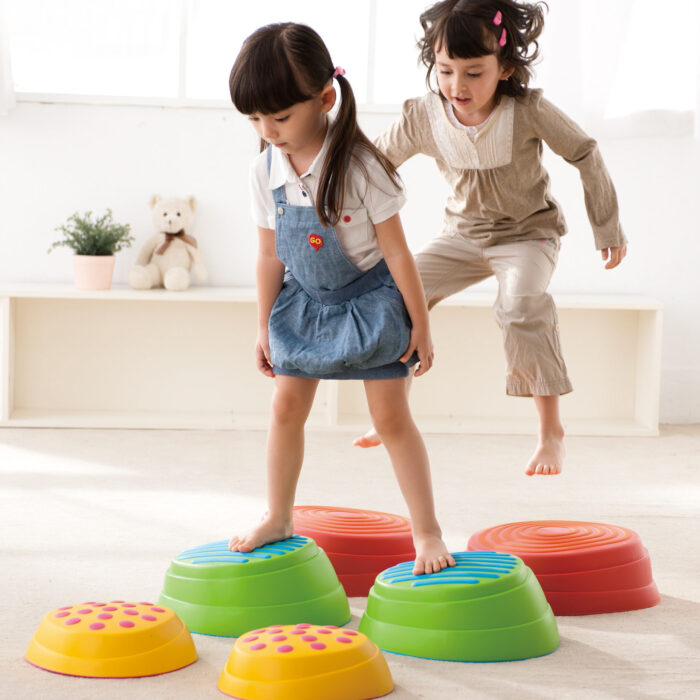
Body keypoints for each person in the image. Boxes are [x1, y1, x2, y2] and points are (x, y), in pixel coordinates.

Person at [354, 0, 627, 476]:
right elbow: (371, 165)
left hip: (528, 235)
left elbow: (584, 152)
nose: (458, 86)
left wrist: (606, 225)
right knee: (395, 291)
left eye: (474, 73)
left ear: (505, 67)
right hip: (462, 235)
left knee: (520, 303)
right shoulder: (424, 116)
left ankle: (550, 433)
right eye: (445, 71)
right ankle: (390, 414)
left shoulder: (528, 111)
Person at [227, 22, 455, 575]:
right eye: (256, 118)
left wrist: (420, 324)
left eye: (279, 117)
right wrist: (263, 327)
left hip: (368, 302)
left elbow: (398, 254)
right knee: (285, 407)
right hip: (302, 303)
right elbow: (269, 256)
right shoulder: (265, 169)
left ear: (325, 98)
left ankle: (426, 531)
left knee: (392, 418)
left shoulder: (360, 165)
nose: (267, 130)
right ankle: (279, 514)